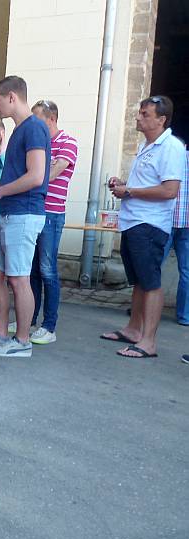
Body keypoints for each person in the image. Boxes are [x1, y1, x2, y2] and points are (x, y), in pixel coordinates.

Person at [101, 95, 184, 358]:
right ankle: (134, 330)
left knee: (151, 283)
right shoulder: (146, 145)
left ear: (161, 120)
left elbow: (169, 190)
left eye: (145, 114)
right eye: (139, 112)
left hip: (149, 225)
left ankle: (148, 342)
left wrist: (130, 191)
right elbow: (148, 183)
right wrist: (123, 184)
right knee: (139, 280)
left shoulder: (171, 147)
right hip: (134, 222)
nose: (138, 117)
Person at [0, 76, 50, 358]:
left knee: (19, 278)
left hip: (24, 212)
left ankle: (22, 341)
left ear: (12, 97)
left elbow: (36, 176)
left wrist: (0, 191)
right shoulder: (20, 129)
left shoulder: (34, 127)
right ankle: (0, 334)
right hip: (8, 211)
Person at [28, 100, 78, 344]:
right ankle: (29, 321)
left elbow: (51, 173)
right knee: (32, 271)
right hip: (33, 211)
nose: (34, 124)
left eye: (37, 119)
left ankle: (49, 327)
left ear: (51, 118)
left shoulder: (68, 142)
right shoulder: (40, 143)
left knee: (47, 270)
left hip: (51, 213)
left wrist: (34, 173)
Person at [162, 146, 189, 325]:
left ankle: (142, 310)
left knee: (153, 267)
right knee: (187, 271)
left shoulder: (169, 154)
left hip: (166, 218)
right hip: (186, 221)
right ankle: (185, 315)